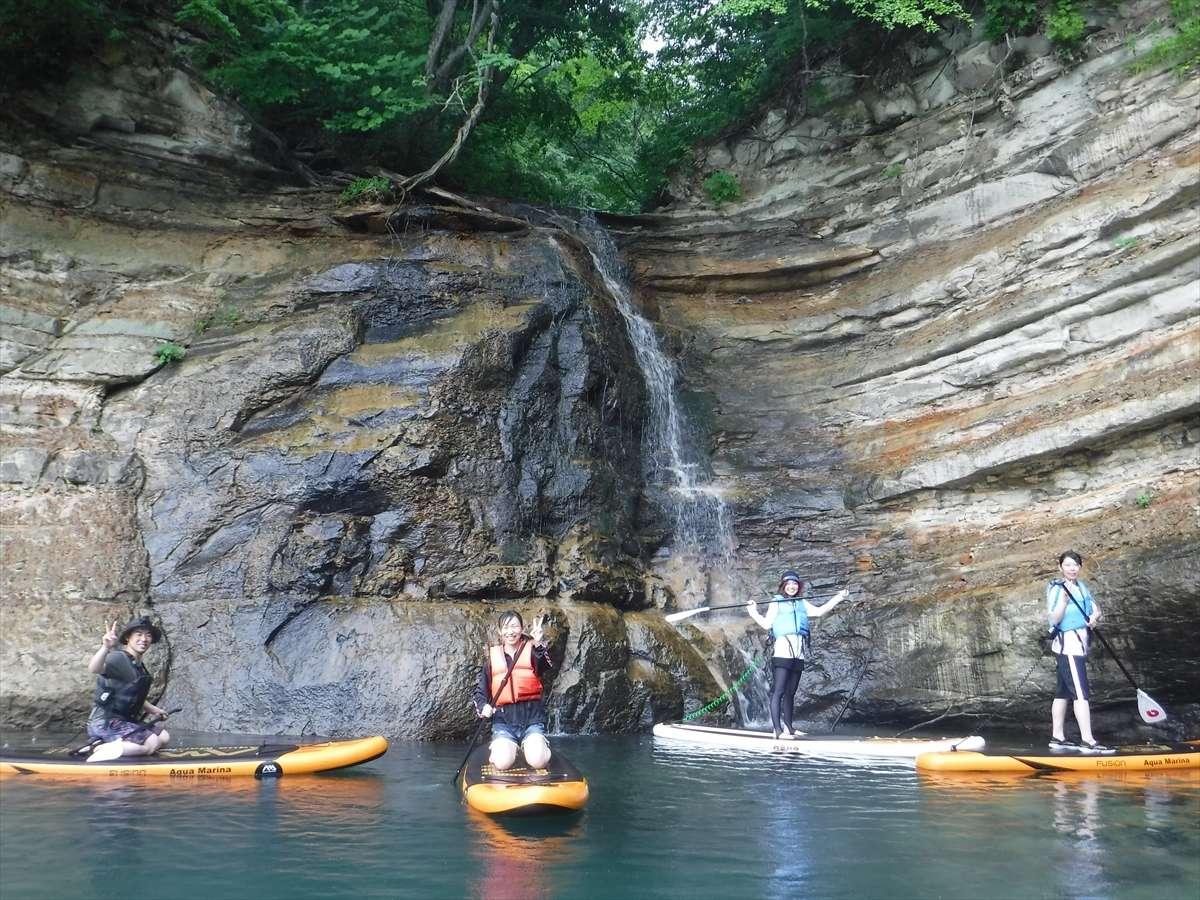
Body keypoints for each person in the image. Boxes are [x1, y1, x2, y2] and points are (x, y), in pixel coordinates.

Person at [747, 571, 850, 739]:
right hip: (782, 651)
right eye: (788, 584)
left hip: (798, 653)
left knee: (791, 692)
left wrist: (839, 597)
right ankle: (777, 731)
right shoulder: (776, 602)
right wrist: (753, 611)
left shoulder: (801, 602)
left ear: (798, 586)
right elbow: (766, 624)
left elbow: (819, 611)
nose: (792, 586)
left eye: (794, 583)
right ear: (783, 586)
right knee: (778, 691)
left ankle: (789, 727)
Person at [1046, 551, 1109, 753]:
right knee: (1080, 693)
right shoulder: (1057, 589)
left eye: (1075, 565)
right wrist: (1064, 602)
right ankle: (1087, 741)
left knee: (1063, 692)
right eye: (1068, 565)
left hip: (1079, 644)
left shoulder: (1081, 586)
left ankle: (1057, 737)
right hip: (1069, 646)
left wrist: (1094, 617)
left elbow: (1094, 608)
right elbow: (1054, 619)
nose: (1072, 568)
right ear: (1061, 567)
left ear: (1080, 567)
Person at [85, 616, 171, 763]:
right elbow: (95, 668)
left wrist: (153, 710)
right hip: (106, 722)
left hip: (124, 721)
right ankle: (99, 748)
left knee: (164, 737)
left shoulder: (138, 665)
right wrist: (105, 647)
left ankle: (115, 745)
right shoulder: (119, 658)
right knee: (151, 743)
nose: (144, 639)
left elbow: (131, 695)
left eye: (148, 635)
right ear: (128, 638)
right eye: (139, 634)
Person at [474, 611, 552, 771]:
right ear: (499, 631)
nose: (511, 631)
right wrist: (484, 707)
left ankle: (538, 749)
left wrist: (538, 643)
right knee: (502, 763)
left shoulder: (532, 651)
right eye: (506, 627)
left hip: (532, 721)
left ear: (522, 628)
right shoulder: (492, 660)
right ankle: (508, 750)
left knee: (537, 761)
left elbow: (546, 666)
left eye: (515, 626)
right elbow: (480, 692)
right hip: (504, 723)